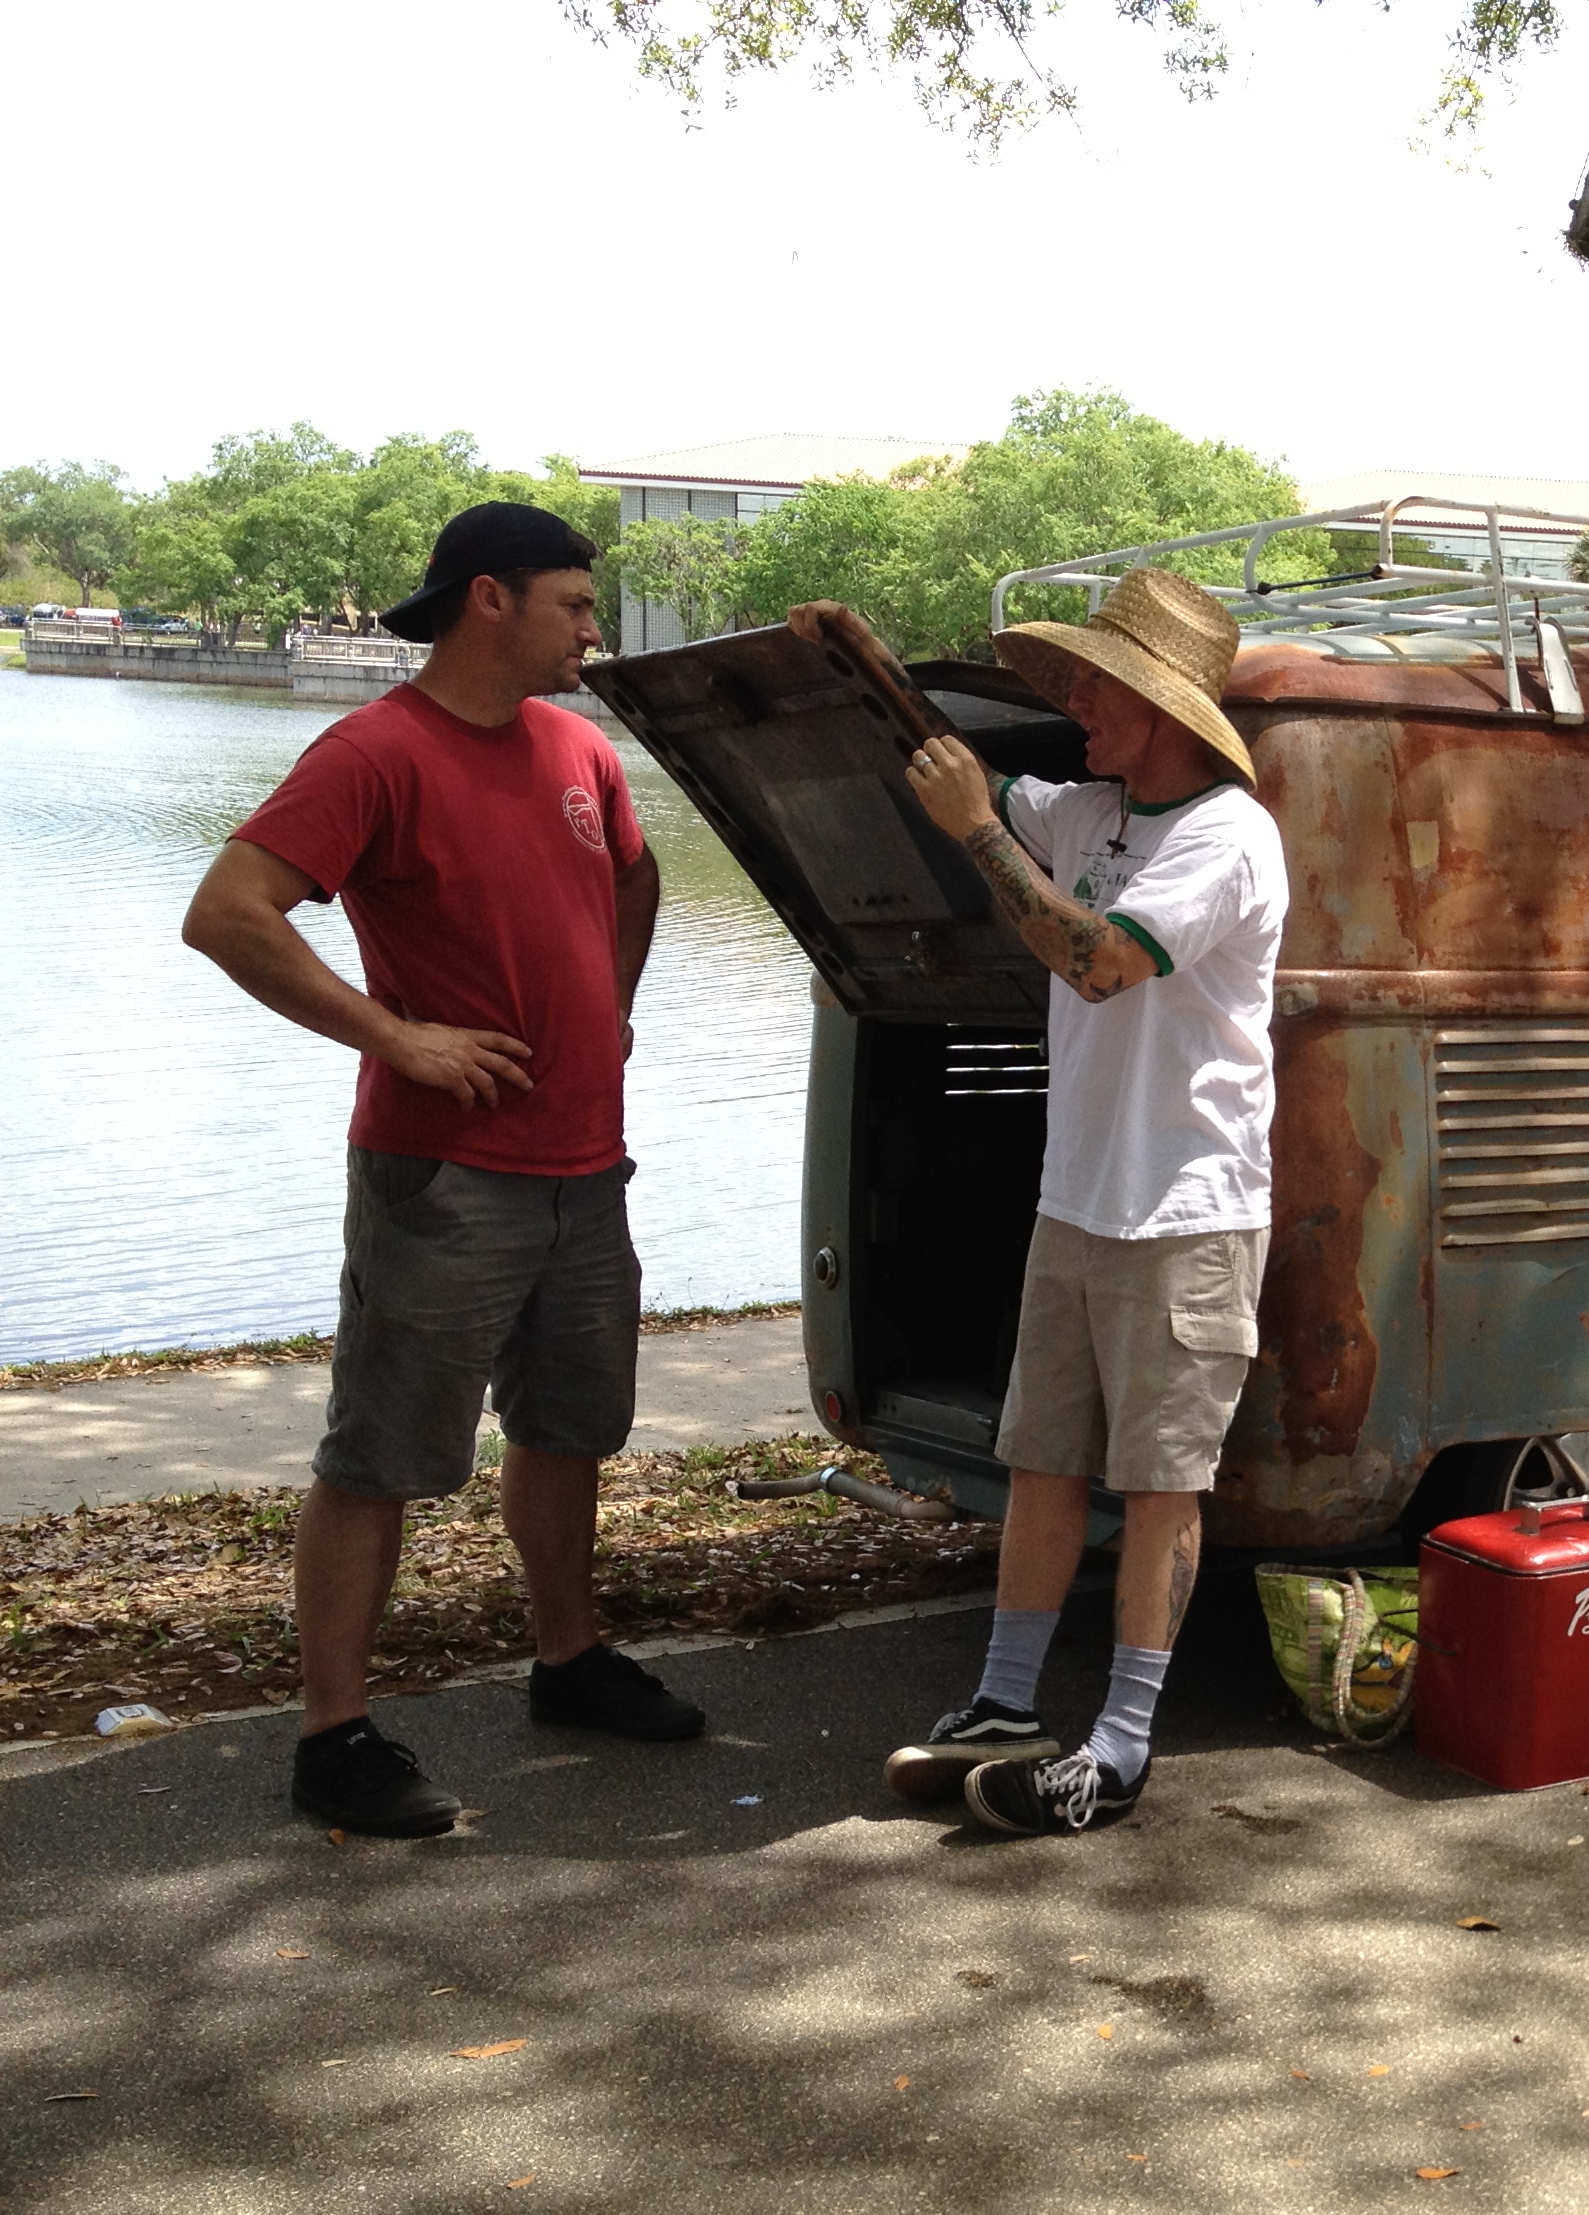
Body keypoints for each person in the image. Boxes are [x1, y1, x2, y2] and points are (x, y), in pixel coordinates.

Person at [182, 503, 703, 1840]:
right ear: (490, 599)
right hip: (444, 1178)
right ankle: (333, 1736)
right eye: (573, 604)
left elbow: (635, 880)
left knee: (568, 1429)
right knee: (381, 1455)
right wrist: (395, 1035)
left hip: (586, 1167)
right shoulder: (376, 753)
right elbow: (228, 913)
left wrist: (612, 1009)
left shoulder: (580, 750)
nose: (592, 629)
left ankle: (568, 1659)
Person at [800, 568, 1287, 1839]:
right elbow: (940, 761)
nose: (1076, 707)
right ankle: (1004, 1703)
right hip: (1077, 1202)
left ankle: (1121, 1745)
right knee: (1043, 1459)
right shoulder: (1092, 810)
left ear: (1160, 708)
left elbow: (1098, 960)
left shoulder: (1228, 839)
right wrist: (850, 652)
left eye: (1096, 689)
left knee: (1162, 1484)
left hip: (1188, 1215)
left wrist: (980, 836)